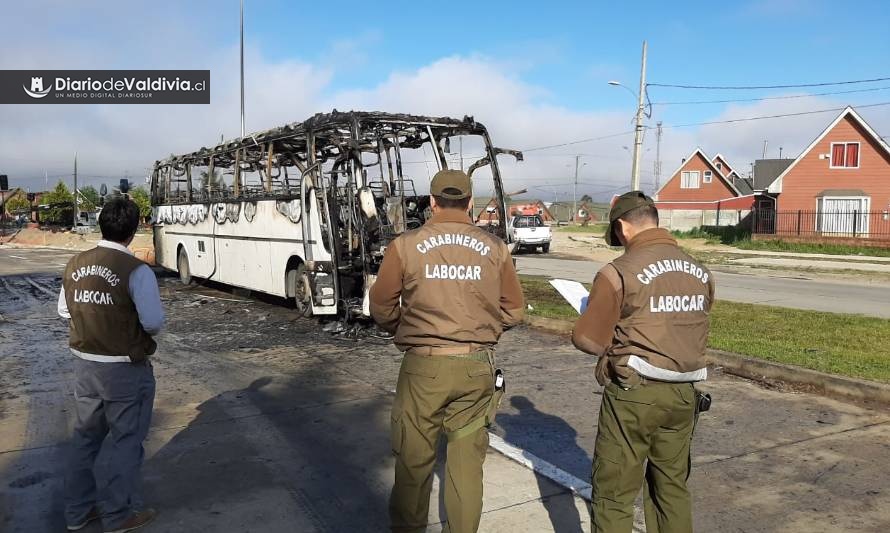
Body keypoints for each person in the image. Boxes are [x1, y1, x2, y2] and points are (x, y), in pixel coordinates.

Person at [370, 169, 525, 533]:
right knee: (467, 469)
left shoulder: (405, 245)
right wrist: (482, 330)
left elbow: (381, 307)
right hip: (477, 366)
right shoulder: (496, 248)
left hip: (424, 368)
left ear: (432, 202)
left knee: (413, 464)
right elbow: (514, 310)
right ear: (470, 203)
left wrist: (403, 329)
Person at [572, 191, 714, 533]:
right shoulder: (700, 271)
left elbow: (587, 339)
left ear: (622, 227)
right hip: (684, 394)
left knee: (614, 495)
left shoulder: (618, 272)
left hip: (635, 393)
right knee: (671, 490)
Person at [58, 197, 164, 533]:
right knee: (126, 442)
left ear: (101, 224)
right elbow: (152, 322)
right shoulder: (136, 270)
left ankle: (78, 513)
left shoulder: (76, 262)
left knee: (85, 440)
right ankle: (118, 516)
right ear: (134, 231)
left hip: (84, 366)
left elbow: (64, 311)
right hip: (124, 370)